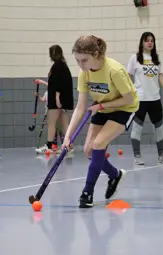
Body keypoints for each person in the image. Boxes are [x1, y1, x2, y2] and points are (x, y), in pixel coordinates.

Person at [63, 35, 139, 208]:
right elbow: (80, 107)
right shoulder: (84, 73)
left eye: (84, 60)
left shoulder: (115, 70)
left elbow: (128, 99)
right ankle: (115, 175)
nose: (80, 65)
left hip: (124, 108)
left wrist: (103, 107)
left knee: (98, 144)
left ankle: (87, 193)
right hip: (102, 106)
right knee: (89, 151)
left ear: (96, 55)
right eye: (77, 60)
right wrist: (67, 137)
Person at [127, 32, 163, 165]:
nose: (150, 43)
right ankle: (137, 155)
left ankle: (161, 155)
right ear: (142, 42)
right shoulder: (135, 58)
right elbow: (127, 76)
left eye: (152, 41)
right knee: (137, 127)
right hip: (140, 99)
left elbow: (161, 77)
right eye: (147, 40)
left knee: (159, 127)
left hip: (155, 98)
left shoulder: (156, 58)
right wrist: (130, 92)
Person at [35, 45, 74, 155]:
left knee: (51, 123)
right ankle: (68, 146)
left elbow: (58, 84)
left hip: (57, 101)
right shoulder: (63, 65)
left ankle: (49, 146)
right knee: (64, 124)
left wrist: (57, 99)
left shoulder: (57, 66)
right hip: (64, 100)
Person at [34, 81, 65, 152]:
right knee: (52, 129)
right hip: (49, 112)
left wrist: (39, 81)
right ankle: (54, 144)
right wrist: (38, 96)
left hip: (57, 113)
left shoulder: (55, 91)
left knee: (59, 128)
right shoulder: (47, 92)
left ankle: (65, 144)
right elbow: (43, 100)